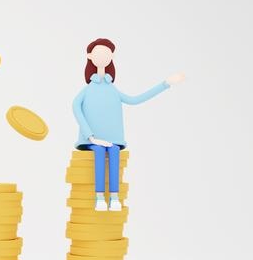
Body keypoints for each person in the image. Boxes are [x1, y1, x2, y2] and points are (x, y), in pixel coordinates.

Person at [72, 38, 184, 211]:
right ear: (89, 56)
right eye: (99, 52)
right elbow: (75, 107)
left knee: (114, 151)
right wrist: (91, 137)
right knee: (100, 152)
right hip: (92, 140)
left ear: (112, 57)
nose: (103, 56)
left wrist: (165, 84)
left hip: (113, 139)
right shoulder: (88, 90)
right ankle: (100, 197)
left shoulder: (112, 89)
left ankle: (114, 197)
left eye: (107, 53)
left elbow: (135, 99)